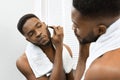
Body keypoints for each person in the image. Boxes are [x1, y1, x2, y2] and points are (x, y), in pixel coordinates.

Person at [72, 0, 120, 80]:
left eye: (77, 25)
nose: (73, 28)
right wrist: (82, 44)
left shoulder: (101, 70)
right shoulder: (107, 37)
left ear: (100, 30)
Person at [16, 14, 74, 80]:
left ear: (45, 25)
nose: (38, 33)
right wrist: (59, 48)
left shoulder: (66, 49)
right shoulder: (23, 62)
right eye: (31, 34)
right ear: (28, 40)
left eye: (39, 26)